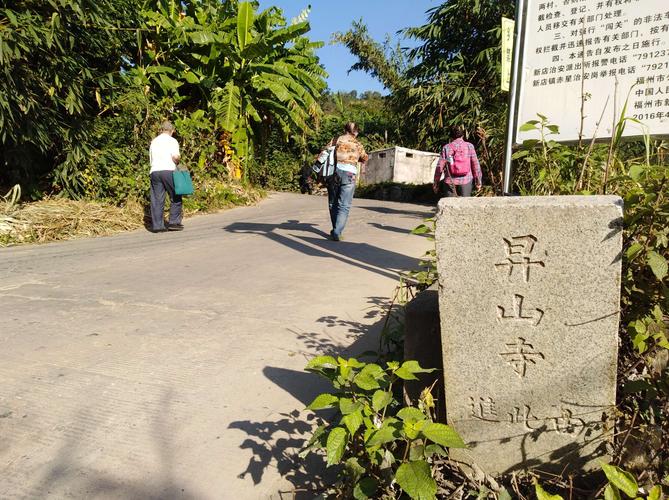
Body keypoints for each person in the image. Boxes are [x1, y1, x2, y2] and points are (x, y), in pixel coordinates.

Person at [326, 122, 368, 241]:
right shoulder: (357, 143)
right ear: (355, 132)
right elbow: (364, 157)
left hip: (334, 172)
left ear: (345, 129)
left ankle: (335, 229)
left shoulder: (335, 140)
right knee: (344, 205)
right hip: (350, 174)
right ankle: (337, 231)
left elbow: (325, 152)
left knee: (332, 202)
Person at [149, 121, 183, 232]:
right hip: (168, 170)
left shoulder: (154, 141)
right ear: (172, 131)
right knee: (176, 195)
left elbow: (151, 159)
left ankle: (158, 226)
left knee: (157, 199)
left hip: (154, 171)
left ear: (161, 130)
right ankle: (174, 222)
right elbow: (175, 157)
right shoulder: (173, 141)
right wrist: (178, 161)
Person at [432, 125, 482, 197]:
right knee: (464, 205)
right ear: (463, 135)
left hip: (450, 181)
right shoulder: (469, 146)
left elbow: (440, 166)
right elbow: (475, 164)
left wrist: (436, 183)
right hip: (466, 180)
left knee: (450, 206)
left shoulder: (447, 147)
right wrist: (478, 182)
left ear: (451, 136)